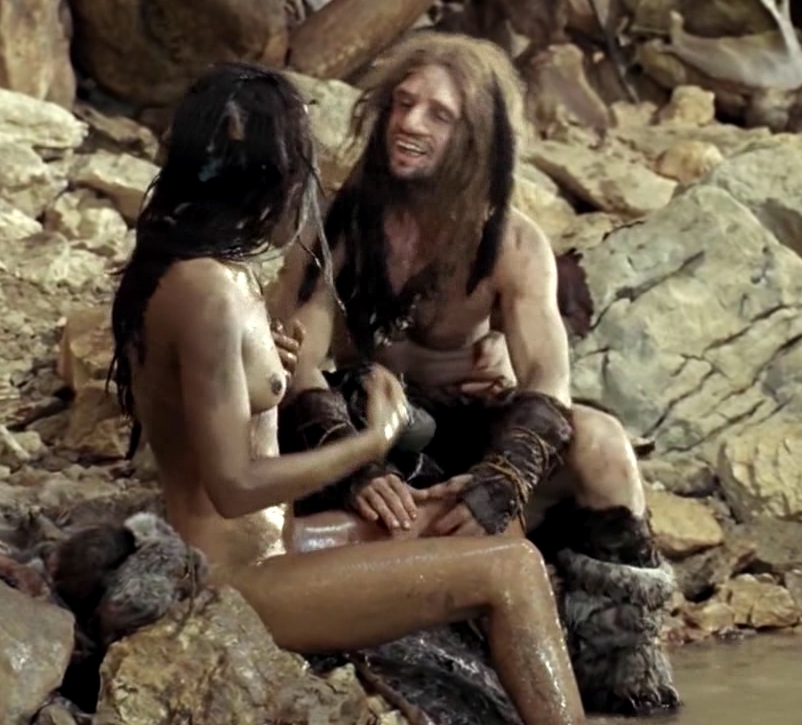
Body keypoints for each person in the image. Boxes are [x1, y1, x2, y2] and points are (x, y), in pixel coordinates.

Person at [105, 61, 588, 725]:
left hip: (282, 541)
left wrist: (266, 362)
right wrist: (370, 446)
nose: (309, 192)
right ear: (270, 177)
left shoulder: (210, 271)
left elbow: (206, 381)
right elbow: (233, 487)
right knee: (514, 570)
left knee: (476, 521)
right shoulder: (206, 292)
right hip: (238, 579)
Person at [270, 32, 682, 717]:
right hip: (376, 431)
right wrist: (355, 465)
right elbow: (298, 361)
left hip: (470, 431)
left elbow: (547, 375)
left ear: (477, 137)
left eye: (439, 114)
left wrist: (506, 475)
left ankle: (620, 665)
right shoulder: (342, 221)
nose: (409, 123)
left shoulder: (511, 240)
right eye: (403, 103)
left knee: (605, 443)